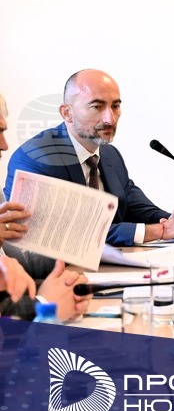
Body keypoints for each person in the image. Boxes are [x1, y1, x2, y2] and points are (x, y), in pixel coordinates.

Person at [4, 70, 174, 246]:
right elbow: (70, 233)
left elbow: (136, 206)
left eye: (115, 106)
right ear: (67, 113)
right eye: (97, 107)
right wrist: (159, 231)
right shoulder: (36, 157)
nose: (110, 119)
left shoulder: (110, 155)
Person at [0, 91, 91, 320]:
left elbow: (22, 269)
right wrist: (45, 304)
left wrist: (68, 283)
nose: (4, 145)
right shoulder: (35, 158)